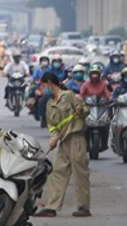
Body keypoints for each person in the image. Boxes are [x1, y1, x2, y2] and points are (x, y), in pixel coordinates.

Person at [33, 73, 92, 217]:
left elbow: (86, 111)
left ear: (50, 83)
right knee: (57, 173)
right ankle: (52, 207)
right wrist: (53, 139)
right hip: (64, 142)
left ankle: (83, 207)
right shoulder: (49, 104)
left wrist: (81, 110)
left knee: (80, 174)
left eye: (44, 85)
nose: (43, 89)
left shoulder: (69, 96)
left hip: (76, 139)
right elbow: (52, 127)